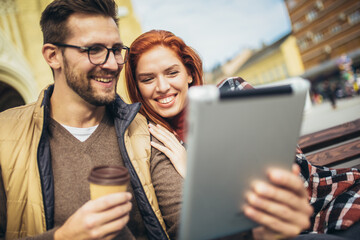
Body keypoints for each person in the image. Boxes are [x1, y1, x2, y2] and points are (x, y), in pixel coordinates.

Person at [125, 29, 360, 239]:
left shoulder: (232, 93)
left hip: (332, 202)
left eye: (171, 72)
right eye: (148, 79)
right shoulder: (156, 141)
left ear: (188, 73)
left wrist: (194, 172)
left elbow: (289, 173)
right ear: (137, 87)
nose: (162, 86)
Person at [0, 1, 183, 239]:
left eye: (116, 50)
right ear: (53, 55)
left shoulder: (144, 131)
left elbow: (184, 222)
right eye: (93, 49)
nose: (111, 64)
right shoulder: (5, 134)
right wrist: (62, 237)